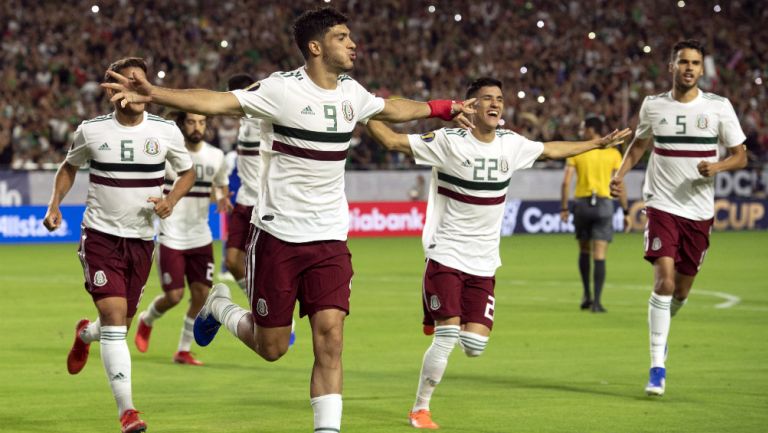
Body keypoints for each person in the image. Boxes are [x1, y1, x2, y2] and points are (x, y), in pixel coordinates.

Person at [101, 7, 476, 432]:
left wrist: (442, 107)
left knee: (331, 337)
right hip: (278, 236)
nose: (352, 43)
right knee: (272, 347)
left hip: (330, 238)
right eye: (342, 36)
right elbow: (218, 101)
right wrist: (156, 93)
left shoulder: (351, 92)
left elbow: (390, 109)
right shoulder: (282, 90)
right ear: (316, 47)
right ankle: (220, 306)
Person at [365, 77, 631, 429]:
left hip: (484, 261)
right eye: (486, 98)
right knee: (447, 335)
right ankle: (420, 408)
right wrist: (363, 111)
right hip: (446, 253)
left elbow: (551, 149)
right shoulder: (448, 141)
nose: (495, 104)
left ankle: (439, 314)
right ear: (469, 106)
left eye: (500, 99)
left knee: (474, 345)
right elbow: (391, 140)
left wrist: (595, 143)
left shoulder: (511, 144)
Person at [43, 57, 194, 433]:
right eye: (127, 82)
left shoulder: (166, 132)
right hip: (101, 237)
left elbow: (188, 171)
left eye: (141, 82)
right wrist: (54, 203)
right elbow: (69, 166)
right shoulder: (91, 131)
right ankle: (128, 411)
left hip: (142, 241)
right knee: (114, 319)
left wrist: (171, 199)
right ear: (112, 91)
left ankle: (84, 334)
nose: (136, 88)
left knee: (117, 327)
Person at [609, 39, 747, 397]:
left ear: (702, 70)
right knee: (664, 283)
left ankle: (662, 335)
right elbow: (639, 144)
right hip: (661, 205)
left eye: (695, 63)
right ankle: (657, 367)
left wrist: (716, 166)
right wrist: (620, 173)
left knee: (681, 292)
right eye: (683, 62)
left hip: (698, 212)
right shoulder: (654, 105)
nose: (689, 68)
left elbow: (740, 156)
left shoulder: (718, 107)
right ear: (671, 66)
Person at [134, 111, 231, 366]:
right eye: (191, 122)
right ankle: (147, 319)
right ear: (182, 125)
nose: (197, 127)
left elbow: (221, 184)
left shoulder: (216, 156)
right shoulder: (169, 156)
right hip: (171, 234)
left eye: (202, 121)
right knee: (174, 295)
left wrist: (222, 197)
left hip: (200, 235)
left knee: (201, 295)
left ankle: (183, 350)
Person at [560, 116, 630, 313]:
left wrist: (564, 208)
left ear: (592, 130)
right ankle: (597, 303)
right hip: (604, 203)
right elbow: (620, 184)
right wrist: (625, 211)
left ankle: (586, 295)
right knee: (600, 254)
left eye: (584, 128)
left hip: (582, 204)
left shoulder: (579, 150)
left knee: (584, 250)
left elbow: (566, 182)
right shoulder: (614, 154)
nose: (582, 132)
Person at [223, 73, 261, 295]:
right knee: (232, 261)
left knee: (263, 265)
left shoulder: (262, 121)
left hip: (263, 204)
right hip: (244, 200)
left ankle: (274, 317)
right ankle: (257, 302)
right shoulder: (244, 124)